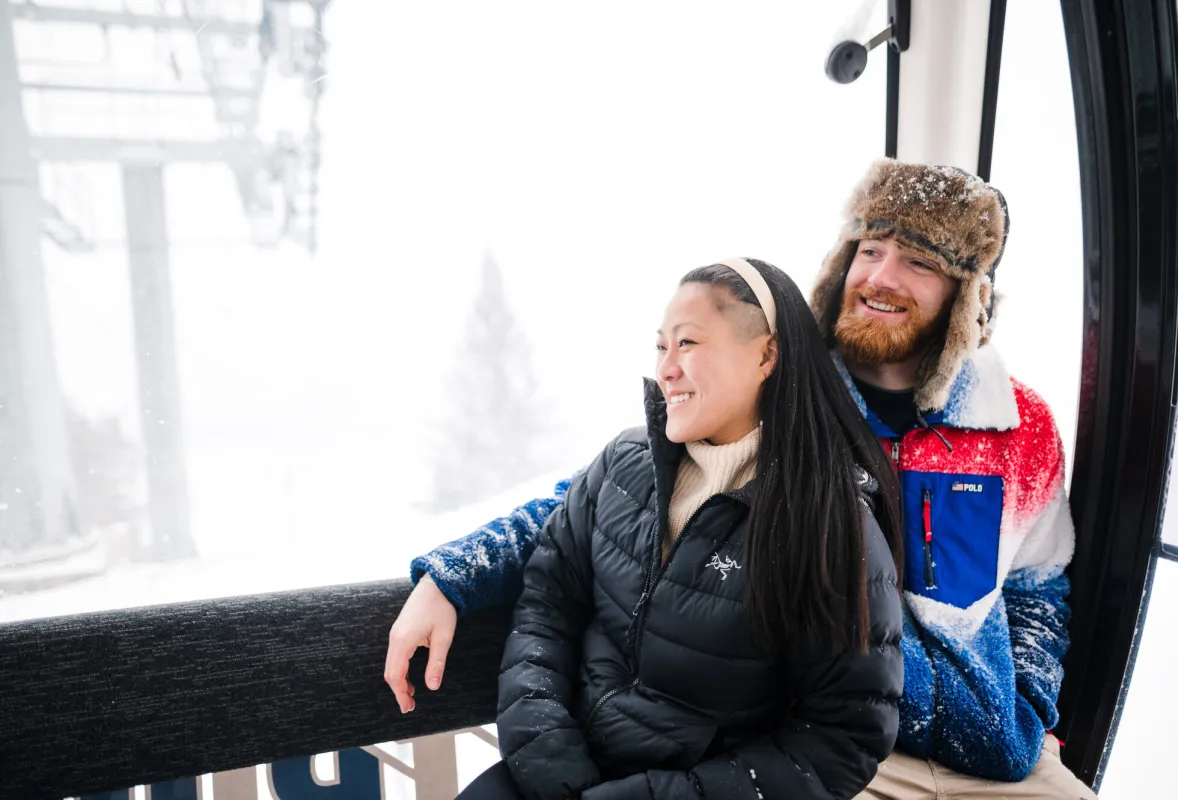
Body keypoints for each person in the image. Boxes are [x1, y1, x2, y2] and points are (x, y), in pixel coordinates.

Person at [385, 160, 1098, 798]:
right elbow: (616, 500)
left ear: (965, 292)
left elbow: (1040, 586)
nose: (880, 278)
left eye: (916, 261)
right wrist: (454, 575)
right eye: (869, 251)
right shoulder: (790, 395)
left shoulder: (1015, 427)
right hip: (862, 753)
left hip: (1000, 759)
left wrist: (1027, 704)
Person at [453, 258, 904, 799]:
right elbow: (547, 604)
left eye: (688, 343)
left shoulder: (827, 525)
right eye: (661, 347)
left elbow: (841, 738)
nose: (666, 368)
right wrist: (548, 755)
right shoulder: (623, 465)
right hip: (552, 774)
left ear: (767, 355)